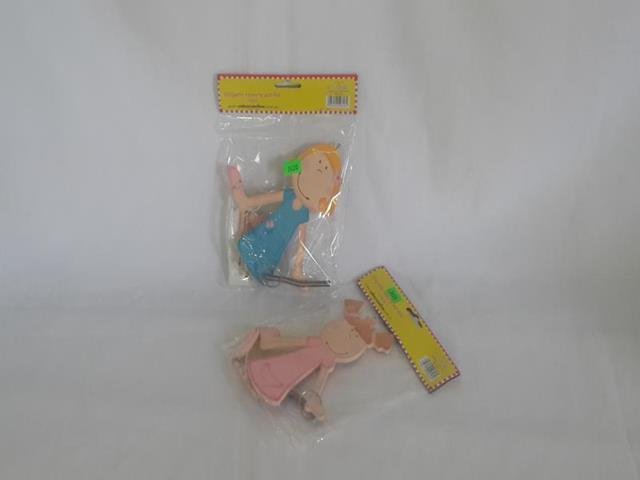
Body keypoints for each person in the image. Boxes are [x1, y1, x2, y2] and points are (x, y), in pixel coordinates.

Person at [227, 144, 341, 284]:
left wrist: (298, 268)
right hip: (265, 231)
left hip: (278, 244)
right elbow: (266, 198)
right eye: (316, 165)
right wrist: (246, 201)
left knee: (266, 259)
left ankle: (258, 268)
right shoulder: (289, 194)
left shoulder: (303, 214)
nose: (314, 178)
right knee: (253, 242)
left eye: (323, 173)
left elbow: (301, 244)